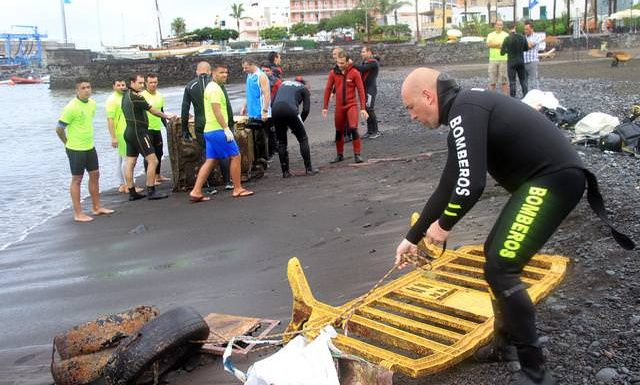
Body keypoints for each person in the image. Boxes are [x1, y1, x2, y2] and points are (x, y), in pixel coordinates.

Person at [395, 68, 634, 385]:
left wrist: (442, 227)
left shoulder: (466, 110)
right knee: (494, 253)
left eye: (411, 107)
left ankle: (535, 371)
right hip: (543, 182)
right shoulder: (463, 115)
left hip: (554, 180)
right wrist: (412, 237)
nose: (411, 116)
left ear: (428, 96)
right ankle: (504, 346)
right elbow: (448, 186)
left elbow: (471, 185)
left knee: (502, 266)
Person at [189, 64, 254, 202]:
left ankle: (196, 191)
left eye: (226, 72)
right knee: (235, 156)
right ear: (213, 73)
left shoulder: (213, 87)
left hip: (210, 131)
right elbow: (216, 110)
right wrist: (226, 128)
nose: (224, 75)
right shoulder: (214, 89)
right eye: (221, 72)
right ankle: (237, 189)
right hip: (217, 130)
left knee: (211, 160)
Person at [55, 78, 114, 222]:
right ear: (77, 90)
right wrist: (66, 142)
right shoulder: (71, 107)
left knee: (95, 174)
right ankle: (78, 213)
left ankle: (96, 207)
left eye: (88, 87)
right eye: (83, 88)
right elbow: (59, 128)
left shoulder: (92, 104)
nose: (87, 90)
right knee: (77, 179)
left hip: (89, 146)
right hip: (75, 148)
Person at [122, 74, 176, 201]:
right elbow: (153, 110)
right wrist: (167, 116)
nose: (141, 85)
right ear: (132, 82)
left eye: (142, 83)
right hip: (139, 132)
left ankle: (132, 192)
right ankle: (151, 190)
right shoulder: (136, 97)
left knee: (130, 162)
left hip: (129, 131)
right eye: (139, 83)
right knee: (153, 160)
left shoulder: (125, 95)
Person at [181, 61, 232, 193]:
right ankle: (227, 182)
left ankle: (211, 186)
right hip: (216, 122)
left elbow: (185, 109)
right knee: (223, 153)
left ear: (197, 72)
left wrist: (184, 129)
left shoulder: (190, 85)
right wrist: (230, 125)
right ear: (210, 71)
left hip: (201, 124)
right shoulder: (216, 84)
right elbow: (226, 104)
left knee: (207, 154)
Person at [322, 51, 368, 164]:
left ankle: (357, 154)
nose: (340, 65)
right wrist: (325, 107)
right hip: (339, 107)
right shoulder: (333, 73)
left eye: (342, 63)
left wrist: (363, 108)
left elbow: (361, 91)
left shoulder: (355, 73)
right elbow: (328, 89)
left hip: (351, 105)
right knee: (339, 131)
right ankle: (339, 155)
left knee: (353, 128)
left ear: (348, 62)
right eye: (338, 63)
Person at [272, 76, 317, 178]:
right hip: (290, 109)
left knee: (282, 142)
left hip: (275, 109)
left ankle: (285, 172)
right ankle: (309, 169)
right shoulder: (304, 88)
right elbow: (306, 109)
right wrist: (300, 122)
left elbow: (272, 101)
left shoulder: (283, 84)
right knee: (303, 138)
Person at [240, 58, 271, 170]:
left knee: (260, 138)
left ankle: (263, 161)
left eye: (246, 67)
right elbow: (249, 93)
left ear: (252, 65)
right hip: (252, 111)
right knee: (253, 137)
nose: (244, 70)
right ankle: (256, 160)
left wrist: (265, 111)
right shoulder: (249, 75)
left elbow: (267, 94)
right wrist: (244, 105)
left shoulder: (261, 76)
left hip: (260, 111)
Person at [141, 73, 170, 184]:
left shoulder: (160, 95)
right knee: (149, 155)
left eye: (155, 82)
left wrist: (166, 126)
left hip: (156, 128)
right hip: (146, 129)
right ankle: (151, 178)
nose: (153, 85)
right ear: (146, 83)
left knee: (159, 153)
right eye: (151, 82)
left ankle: (158, 175)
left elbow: (161, 112)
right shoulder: (142, 96)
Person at [105, 77, 130, 193]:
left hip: (126, 130)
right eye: (118, 85)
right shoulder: (112, 100)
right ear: (113, 86)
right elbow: (110, 120)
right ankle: (126, 185)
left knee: (121, 159)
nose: (121, 87)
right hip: (120, 132)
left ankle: (122, 184)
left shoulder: (124, 96)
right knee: (126, 158)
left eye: (123, 85)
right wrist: (113, 137)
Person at [354, 45, 381, 139]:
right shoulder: (365, 62)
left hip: (370, 90)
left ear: (369, 52)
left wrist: (350, 64)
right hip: (365, 90)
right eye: (361, 52)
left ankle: (376, 131)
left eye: (363, 52)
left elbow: (362, 69)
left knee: (370, 109)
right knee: (365, 110)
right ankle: (369, 131)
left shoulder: (373, 62)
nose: (362, 53)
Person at [501, 22, 529, 98]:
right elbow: (526, 48)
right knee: (523, 80)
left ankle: (513, 98)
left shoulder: (507, 39)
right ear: (515, 27)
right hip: (521, 61)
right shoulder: (522, 37)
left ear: (507, 29)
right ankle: (526, 96)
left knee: (512, 81)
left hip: (511, 63)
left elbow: (502, 53)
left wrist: (508, 50)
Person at [261, 63, 282, 160]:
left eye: (267, 71)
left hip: (273, 109)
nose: (265, 73)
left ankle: (272, 151)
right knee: (263, 133)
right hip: (262, 109)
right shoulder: (258, 81)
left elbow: (280, 96)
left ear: (271, 71)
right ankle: (268, 152)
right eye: (263, 71)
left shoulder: (277, 82)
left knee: (273, 131)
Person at [486, 20, 509, 95]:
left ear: (502, 26)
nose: (499, 26)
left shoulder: (506, 35)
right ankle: (491, 97)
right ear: (495, 25)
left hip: (504, 59)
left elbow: (506, 46)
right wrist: (500, 44)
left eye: (501, 25)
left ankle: (505, 98)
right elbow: (489, 44)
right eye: (498, 25)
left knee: (504, 80)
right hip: (493, 59)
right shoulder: (490, 35)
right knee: (492, 80)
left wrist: (494, 44)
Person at [524, 20, 543, 90]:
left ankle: (536, 97)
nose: (525, 31)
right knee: (524, 82)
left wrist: (524, 42)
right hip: (523, 62)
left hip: (532, 61)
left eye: (527, 29)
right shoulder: (524, 37)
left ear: (532, 29)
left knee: (533, 81)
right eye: (525, 29)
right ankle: (526, 97)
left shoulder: (536, 36)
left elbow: (530, 46)